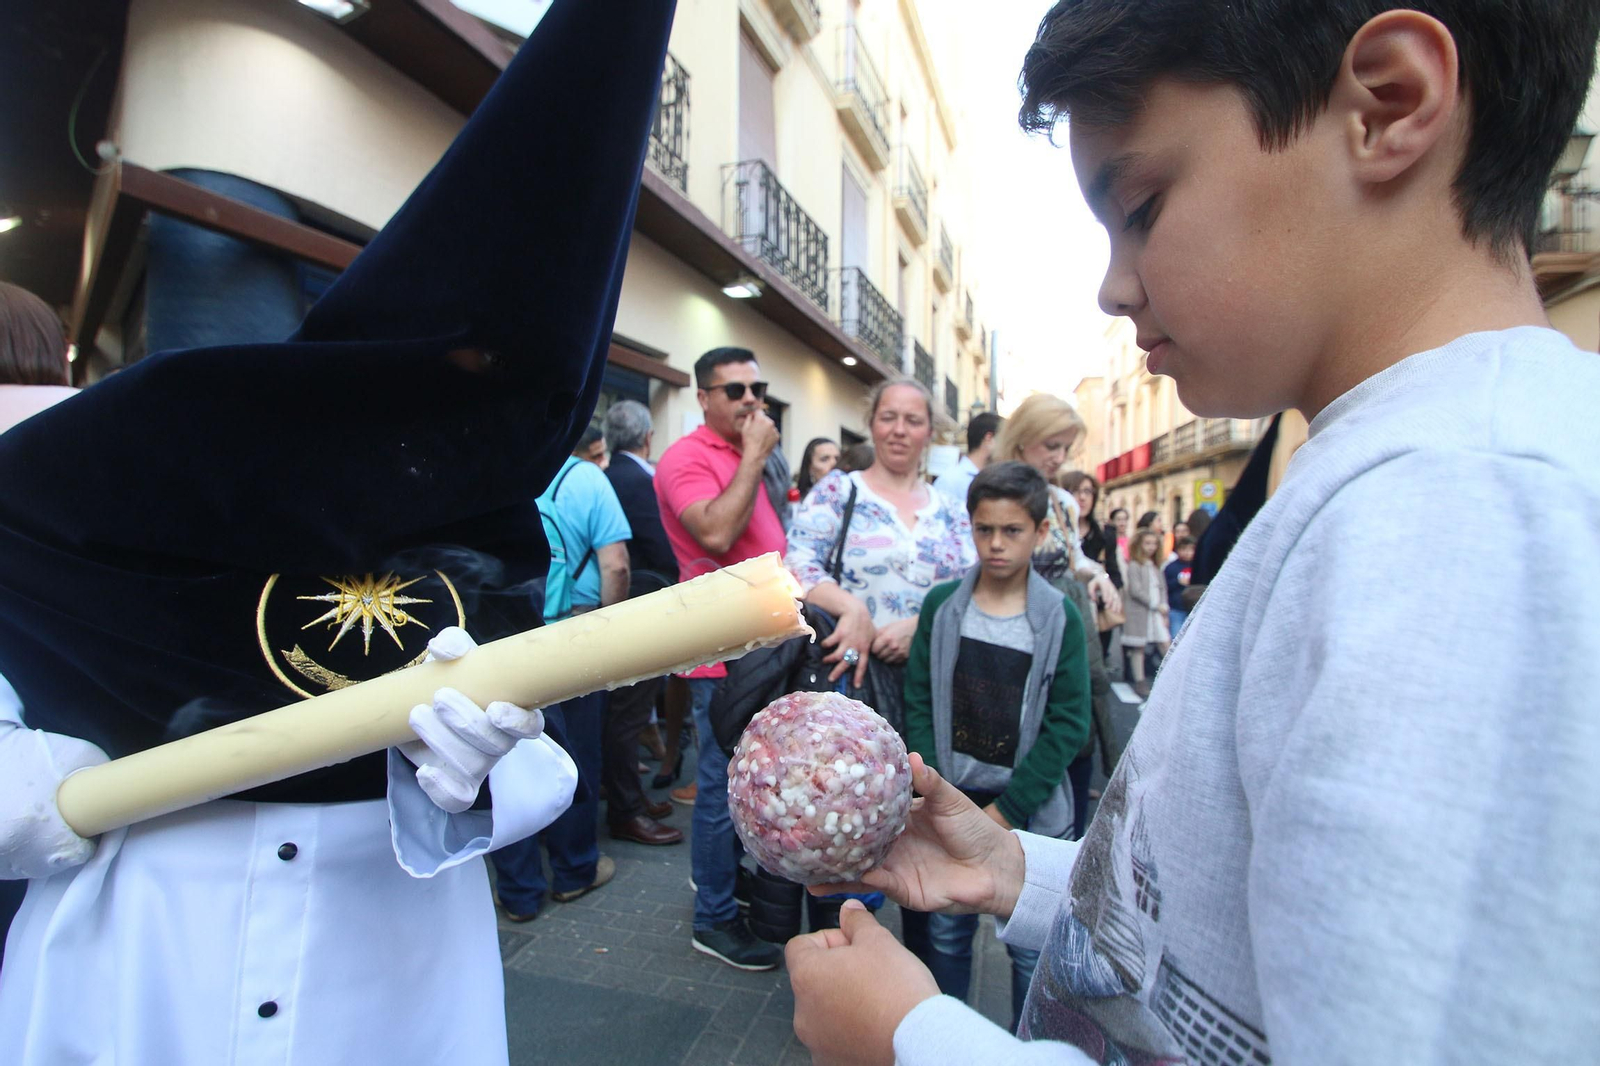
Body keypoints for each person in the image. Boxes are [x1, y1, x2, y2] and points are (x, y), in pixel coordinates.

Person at [783, 2, 1600, 1062]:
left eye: (1141, 204)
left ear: (1388, 104)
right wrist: (1018, 871)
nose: (1113, 284)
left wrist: (915, 1037)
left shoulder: (1469, 519)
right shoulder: (1401, 478)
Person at [0, 1, 674, 1061]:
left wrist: (475, 769)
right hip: (143, 967)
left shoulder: (492, 526)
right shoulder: (136, 463)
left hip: (386, 984)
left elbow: (523, 750)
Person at [900, 461, 1090, 1031]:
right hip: (952, 800)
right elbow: (918, 702)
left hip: (1029, 817)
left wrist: (1007, 810)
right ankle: (948, 1040)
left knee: (1031, 951)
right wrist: (937, 790)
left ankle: (1026, 1044)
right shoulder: (942, 608)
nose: (997, 544)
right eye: (985, 529)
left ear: (1039, 531)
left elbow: (1068, 724)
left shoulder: (1059, 616)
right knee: (948, 936)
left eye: (1012, 531)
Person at [654, 345, 787, 970]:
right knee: (721, 789)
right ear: (703, 397)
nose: (749, 401)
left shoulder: (744, 454)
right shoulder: (687, 459)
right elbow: (715, 533)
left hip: (765, 646)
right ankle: (713, 917)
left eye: (755, 389)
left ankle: (718, 883)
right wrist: (758, 455)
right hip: (722, 654)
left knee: (744, 781)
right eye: (733, 391)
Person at [785, 378, 976, 696]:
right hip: (850, 679)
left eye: (913, 421)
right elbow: (797, 561)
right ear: (872, 424)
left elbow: (974, 586)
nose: (899, 430)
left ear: (929, 433)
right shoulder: (838, 491)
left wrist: (920, 626)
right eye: (888, 417)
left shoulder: (952, 510)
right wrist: (851, 607)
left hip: (934, 683)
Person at [597, 399, 683, 846]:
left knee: (622, 709)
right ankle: (626, 810)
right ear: (648, 437)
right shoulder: (639, 480)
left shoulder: (606, 476)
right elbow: (661, 545)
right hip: (644, 603)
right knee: (629, 712)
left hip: (615, 604)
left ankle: (626, 797)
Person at [1119, 527, 1168, 698]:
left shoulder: (1155, 567)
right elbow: (1135, 590)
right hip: (1141, 612)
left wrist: (1163, 606)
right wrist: (1155, 603)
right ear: (1139, 545)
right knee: (1138, 646)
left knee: (1164, 642)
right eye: (1147, 543)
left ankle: (1172, 674)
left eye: (1154, 544)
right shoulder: (1134, 565)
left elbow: (1162, 588)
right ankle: (1140, 681)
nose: (1151, 547)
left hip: (1155, 612)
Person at [932, 410, 1003, 504]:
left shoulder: (996, 479)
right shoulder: (950, 481)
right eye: (1004, 439)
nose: (1007, 446)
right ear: (989, 438)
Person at [1163, 535, 1195, 638]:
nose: (1187, 553)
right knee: (1175, 636)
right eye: (1183, 549)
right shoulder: (1171, 567)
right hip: (1176, 608)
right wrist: (1177, 582)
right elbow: (1165, 587)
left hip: (1193, 608)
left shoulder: (1197, 566)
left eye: (1191, 549)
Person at [796, 436, 840, 501]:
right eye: (824, 459)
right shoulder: (799, 503)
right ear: (810, 467)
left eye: (837, 459)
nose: (834, 464)